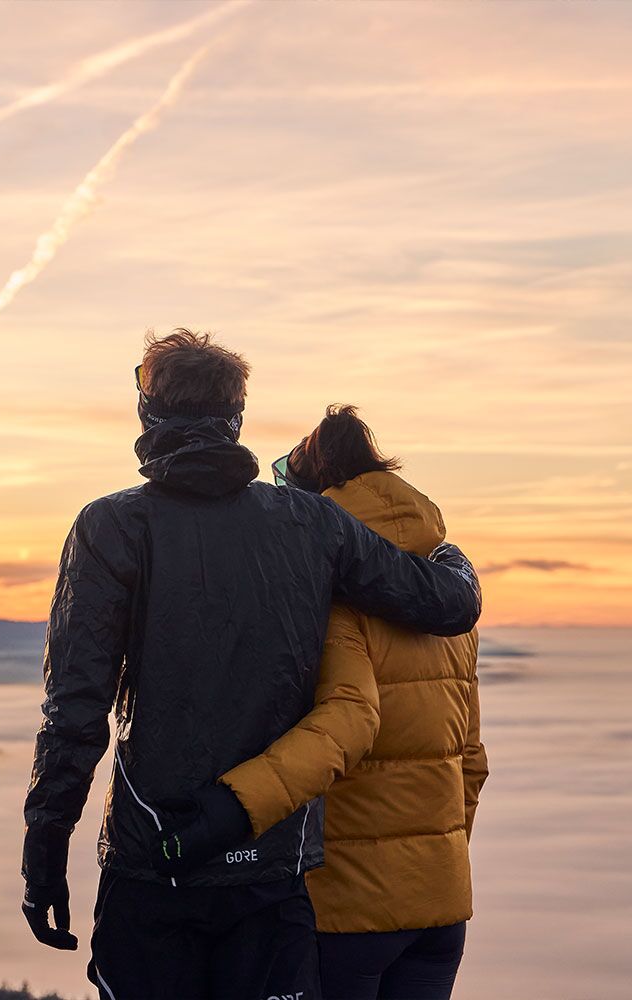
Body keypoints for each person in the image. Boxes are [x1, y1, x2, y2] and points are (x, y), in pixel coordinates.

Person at [19, 330, 482, 1000]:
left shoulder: (112, 526)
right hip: (274, 873)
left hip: (154, 867)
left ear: (148, 412)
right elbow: (445, 605)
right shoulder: (310, 525)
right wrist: (455, 562)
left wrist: (44, 853)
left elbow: (76, 710)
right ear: (236, 417)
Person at [161, 404, 488, 1000]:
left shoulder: (336, 598)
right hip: (442, 907)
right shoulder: (449, 604)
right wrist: (434, 863)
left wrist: (229, 809)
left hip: (350, 909)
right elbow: (471, 758)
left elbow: (350, 721)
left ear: (315, 500)